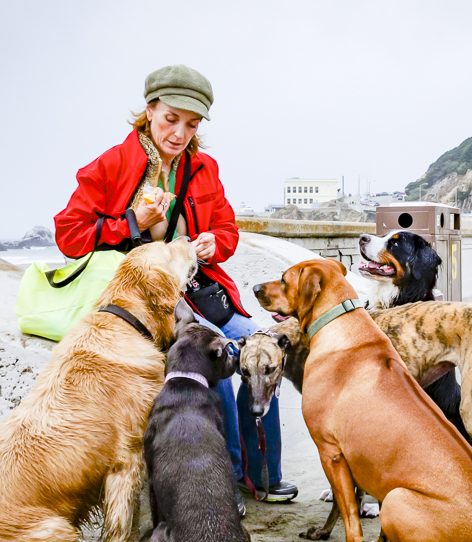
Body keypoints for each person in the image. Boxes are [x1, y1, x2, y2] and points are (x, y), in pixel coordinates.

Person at [52, 65, 298, 513]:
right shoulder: (111, 164)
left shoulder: (204, 168)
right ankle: (220, 482)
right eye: (171, 119)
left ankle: (261, 476)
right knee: (217, 359)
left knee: (262, 351)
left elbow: (227, 230)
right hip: (153, 303)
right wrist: (131, 224)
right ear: (149, 111)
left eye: (192, 123)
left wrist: (213, 242)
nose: (180, 132)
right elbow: (68, 235)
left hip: (205, 289)